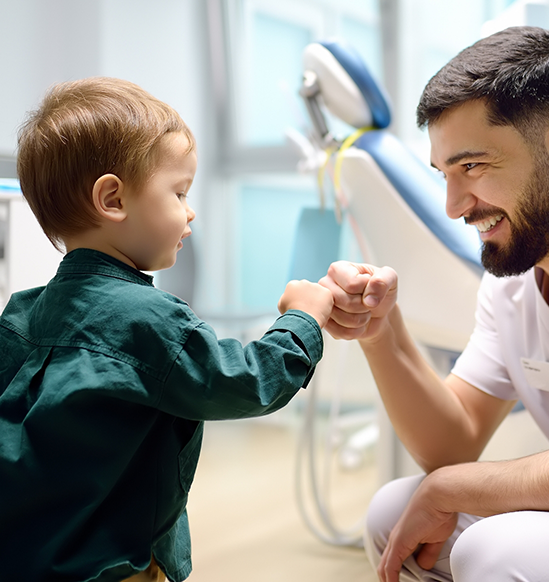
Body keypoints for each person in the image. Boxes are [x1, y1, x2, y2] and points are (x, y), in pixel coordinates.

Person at [319, 26, 549, 581]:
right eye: (445, 175)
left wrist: (453, 486)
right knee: (392, 514)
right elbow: (451, 440)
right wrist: (382, 333)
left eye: (472, 167)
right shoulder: (514, 277)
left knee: (494, 550)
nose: (453, 207)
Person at [0, 77, 334, 582]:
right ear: (112, 199)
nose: (190, 209)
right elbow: (247, 382)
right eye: (179, 192)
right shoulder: (149, 320)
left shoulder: (22, 314)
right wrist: (302, 318)